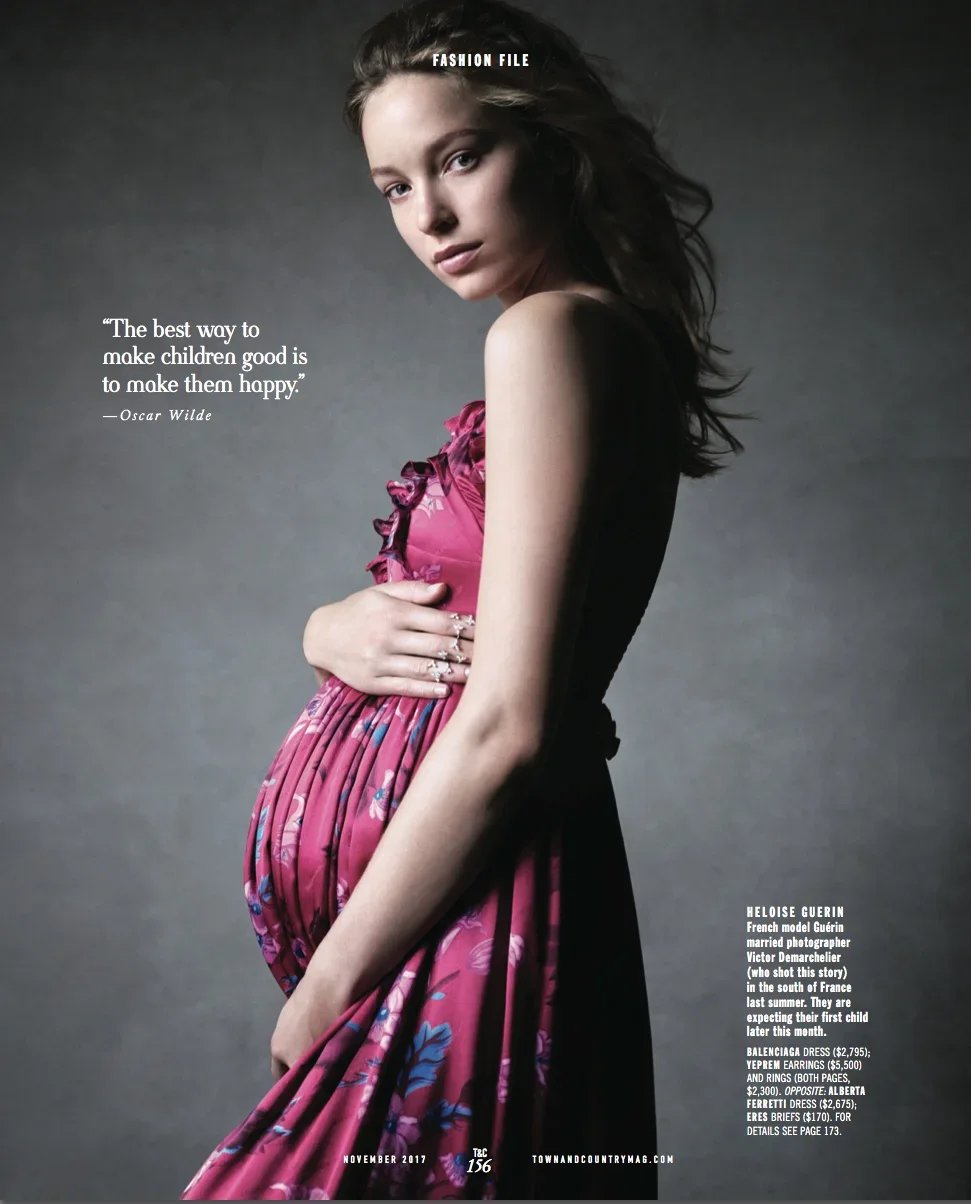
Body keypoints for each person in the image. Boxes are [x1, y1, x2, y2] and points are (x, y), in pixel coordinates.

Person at [181, 0, 747, 1198]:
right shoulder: (592, 339)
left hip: (468, 920)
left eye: (460, 158)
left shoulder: (547, 335)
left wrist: (333, 979)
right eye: (392, 186)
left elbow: (509, 723)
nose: (429, 217)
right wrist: (324, 630)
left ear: (552, 143)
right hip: (458, 915)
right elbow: (487, 627)